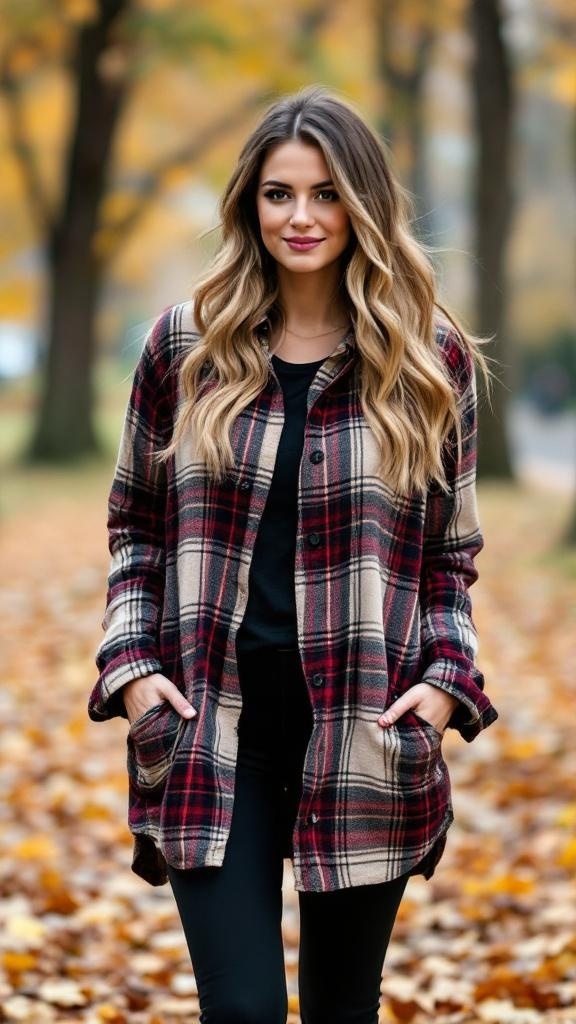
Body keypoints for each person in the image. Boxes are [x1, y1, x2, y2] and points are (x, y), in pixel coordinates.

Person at [88, 86, 498, 1024]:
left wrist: (444, 683)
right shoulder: (183, 347)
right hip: (208, 729)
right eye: (279, 194)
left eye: (326, 193)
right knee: (242, 1012)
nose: (302, 218)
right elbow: (133, 528)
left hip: (364, 729)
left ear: (364, 203)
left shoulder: (428, 360)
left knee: (343, 1011)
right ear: (249, 204)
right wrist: (134, 664)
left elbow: (452, 556)